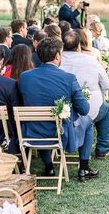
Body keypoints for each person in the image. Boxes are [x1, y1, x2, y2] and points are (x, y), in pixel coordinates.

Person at [18, 37, 95, 181]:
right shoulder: (68, 78)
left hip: (31, 132)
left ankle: (49, 166)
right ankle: (84, 167)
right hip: (60, 133)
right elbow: (84, 109)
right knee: (88, 120)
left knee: (44, 122)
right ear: (57, 56)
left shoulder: (25, 77)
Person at [60, 31, 109, 158]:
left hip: (62, 112)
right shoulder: (91, 61)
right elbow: (106, 85)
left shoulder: (57, 61)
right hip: (91, 109)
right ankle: (103, 148)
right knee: (106, 111)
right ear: (79, 46)